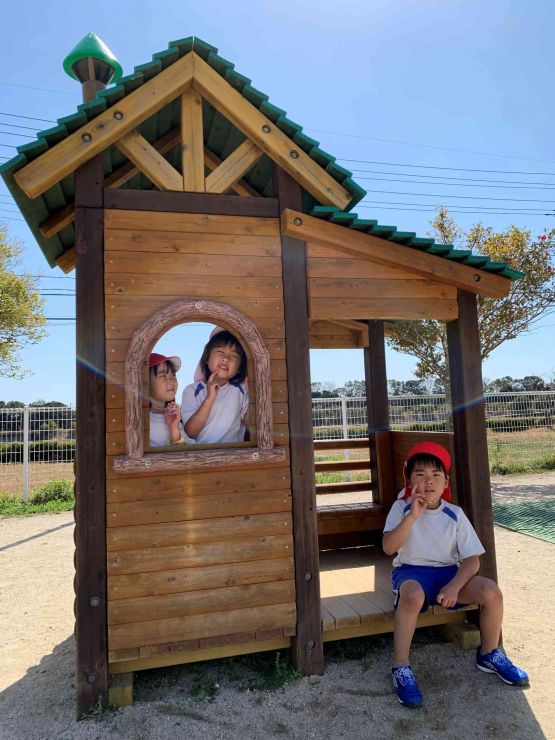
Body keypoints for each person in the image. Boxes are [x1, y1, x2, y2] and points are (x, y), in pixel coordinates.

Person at [383, 441, 528, 708]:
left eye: (436, 475)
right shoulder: (400, 508)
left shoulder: (455, 514)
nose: (428, 482)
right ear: (409, 479)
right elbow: (389, 547)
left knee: (491, 592)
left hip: (449, 574)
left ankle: (489, 654)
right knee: (413, 595)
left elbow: (472, 559)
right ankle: (401, 667)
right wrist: (413, 517)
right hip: (411, 573)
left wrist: (453, 587)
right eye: (420, 475)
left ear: (445, 481)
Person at [181, 329, 249, 444]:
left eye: (234, 356)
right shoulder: (191, 391)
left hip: (235, 455)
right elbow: (191, 432)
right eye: (220, 351)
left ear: (239, 369)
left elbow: (251, 423)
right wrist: (210, 398)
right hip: (204, 456)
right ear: (207, 358)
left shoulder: (241, 389)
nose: (226, 358)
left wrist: (252, 391)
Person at [148, 352, 184, 447]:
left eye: (173, 375)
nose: (171, 380)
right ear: (145, 381)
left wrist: (174, 428)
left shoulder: (179, 416)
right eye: (163, 375)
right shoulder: (138, 420)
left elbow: (183, 457)